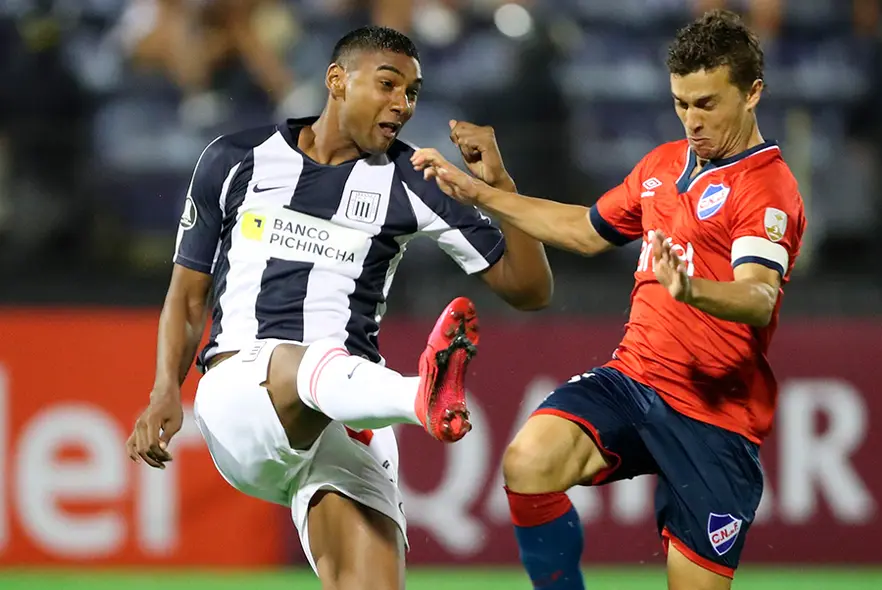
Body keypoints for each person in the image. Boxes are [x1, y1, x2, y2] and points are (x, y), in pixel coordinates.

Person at [124, 25, 552, 589]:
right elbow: (187, 295)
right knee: (300, 361)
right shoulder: (235, 160)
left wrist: (499, 184)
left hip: (346, 416)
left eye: (413, 93)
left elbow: (530, 288)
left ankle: (409, 397)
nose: (402, 104)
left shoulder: (414, 183)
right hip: (241, 397)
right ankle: (416, 395)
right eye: (388, 84)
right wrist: (163, 392)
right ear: (337, 82)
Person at [412, 10, 806, 590]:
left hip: (712, 419)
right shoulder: (663, 165)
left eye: (707, 103)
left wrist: (691, 290)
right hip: (634, 379)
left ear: (752, 94)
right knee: (528, 462)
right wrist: (483, 193)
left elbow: (757, 295)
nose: (692, 120)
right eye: (681, 103)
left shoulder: (768, 189)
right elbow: (583, 230)